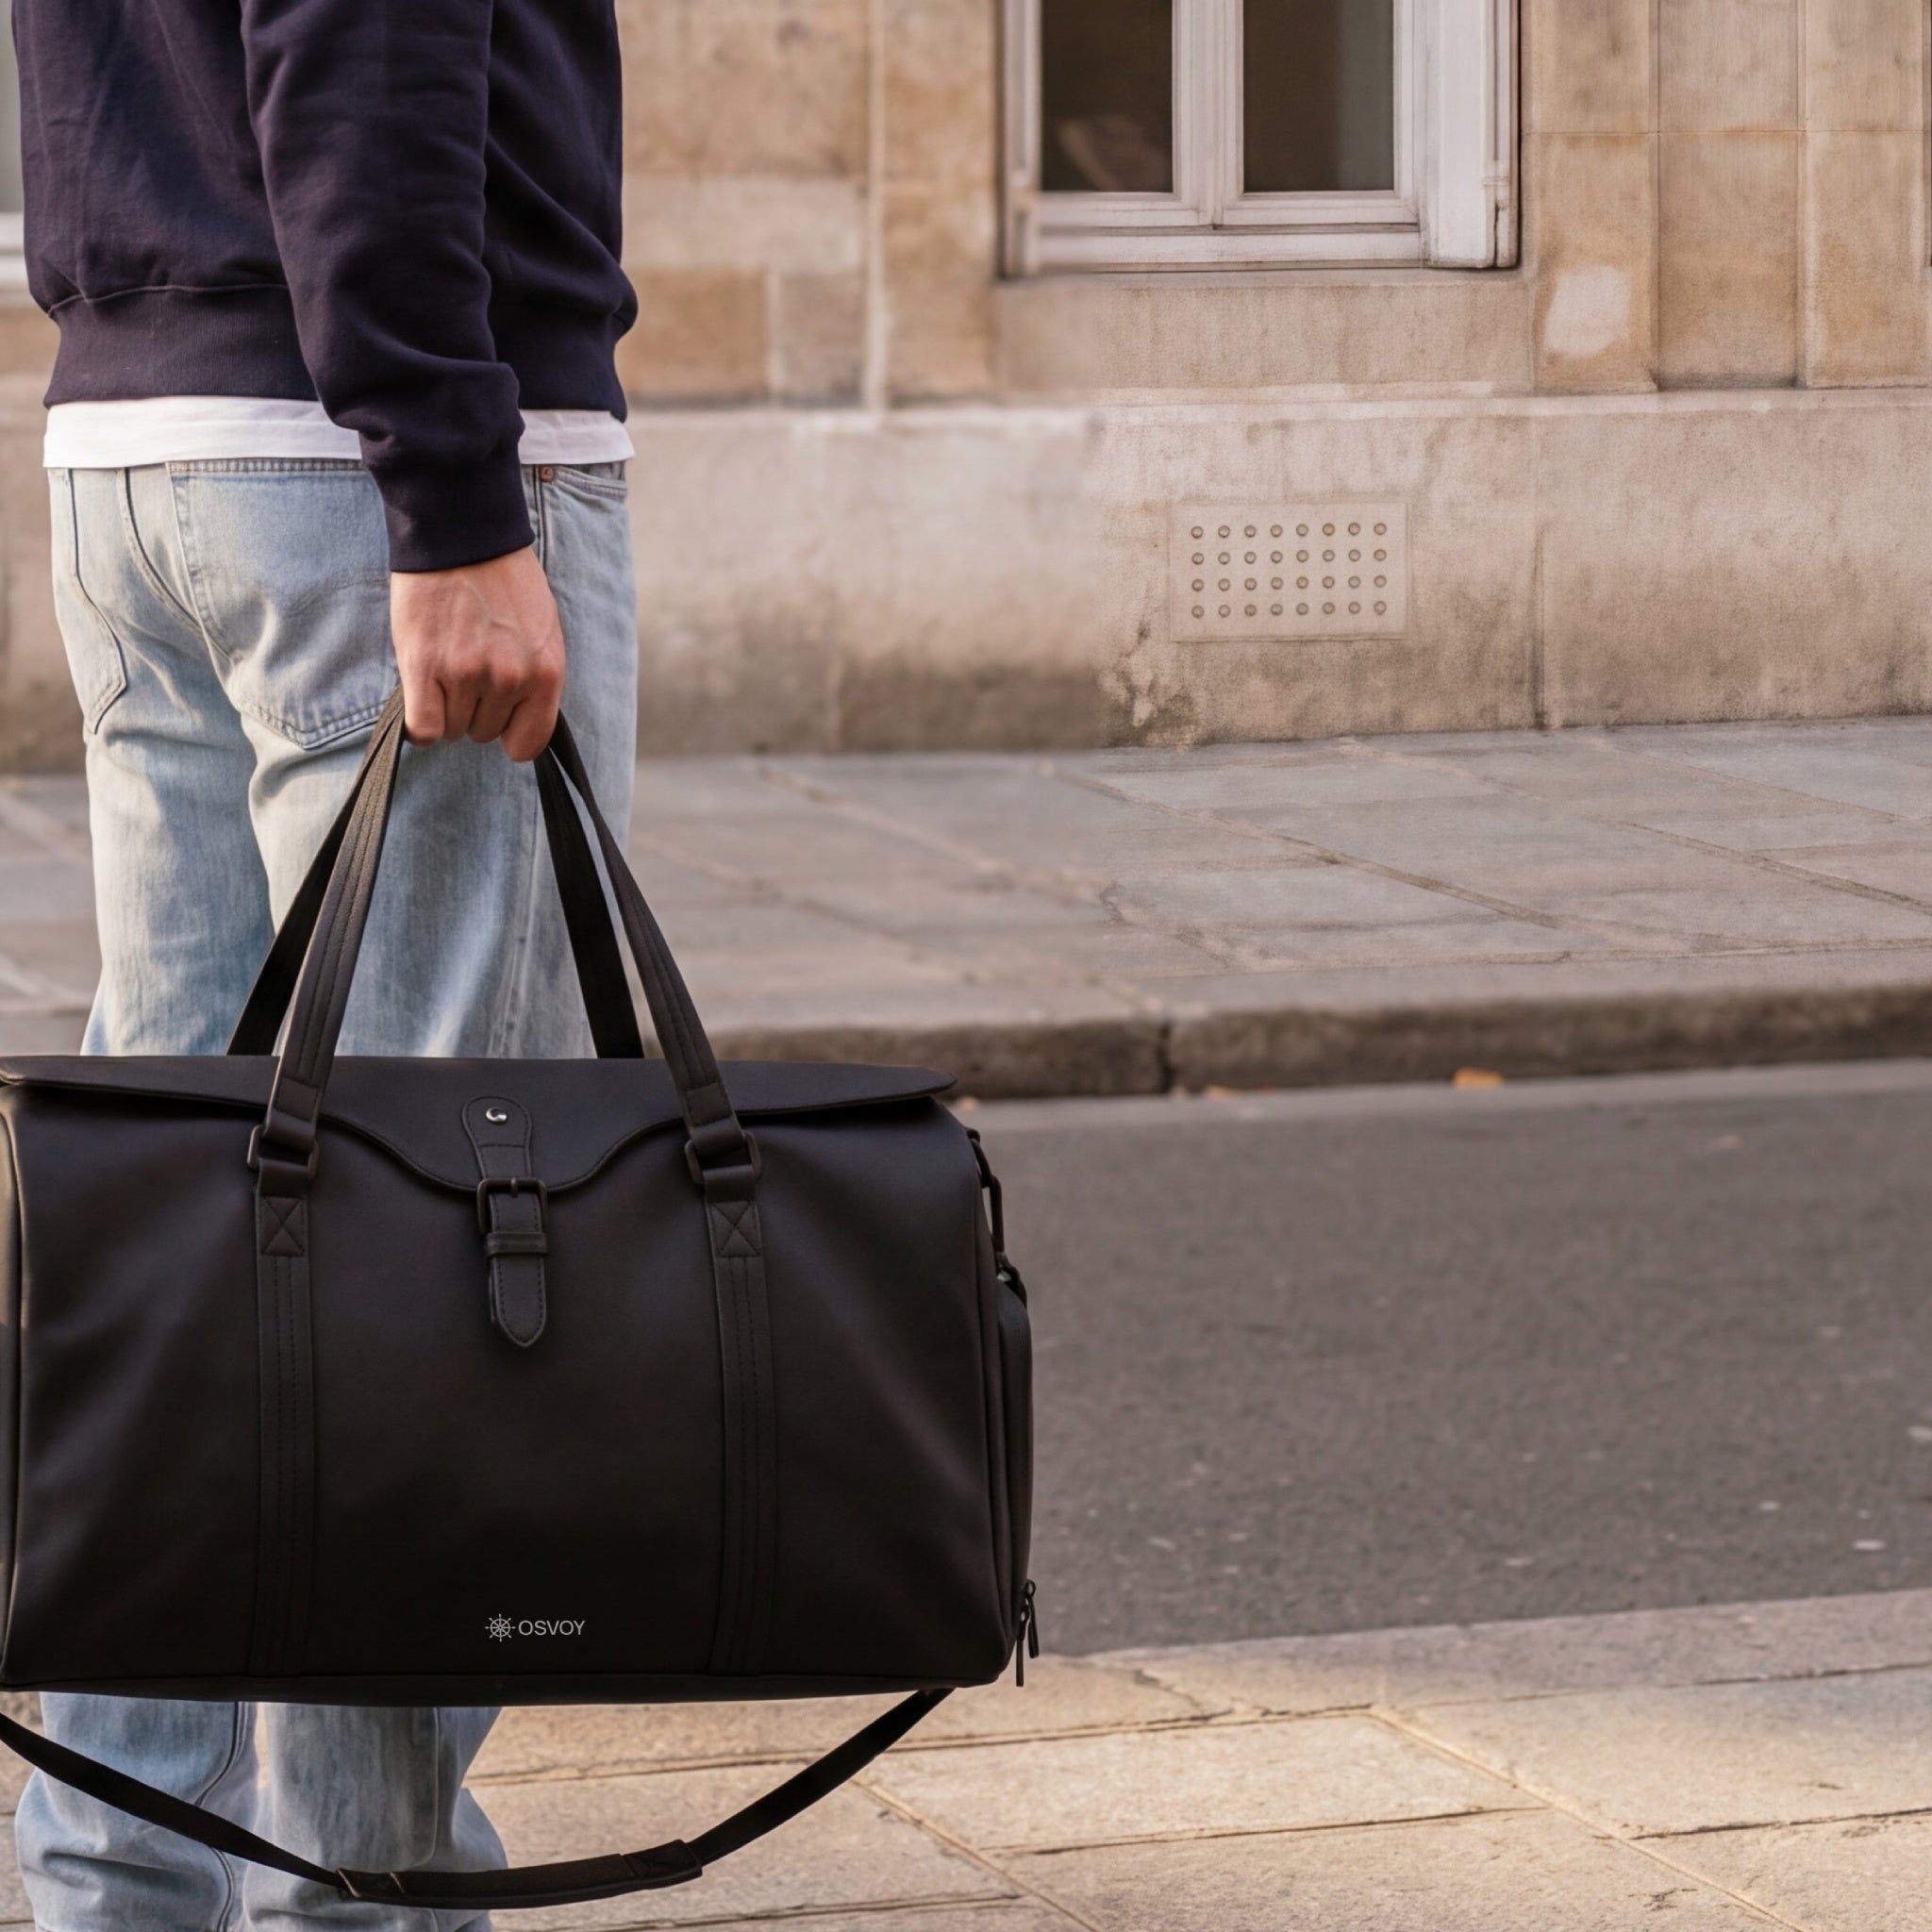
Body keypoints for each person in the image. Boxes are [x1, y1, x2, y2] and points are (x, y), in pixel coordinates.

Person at [8, 1, 639, 1924]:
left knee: (177, 1236)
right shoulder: (421, 466)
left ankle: (119, 1884)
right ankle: (360, 1901)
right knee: (418, 1247)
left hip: (141, 438)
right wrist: (453, 489)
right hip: (365, 464)